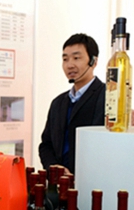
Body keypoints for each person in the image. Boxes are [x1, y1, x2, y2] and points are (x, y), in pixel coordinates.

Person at [39, 33, 105, 175]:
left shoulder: (108, 97)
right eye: (65, 59)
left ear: (93, 61)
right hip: (60, 183)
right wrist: (54, 168)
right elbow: (46, 145)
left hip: (93, 180)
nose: (70, 65)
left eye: (76, 58)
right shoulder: (58, 103)